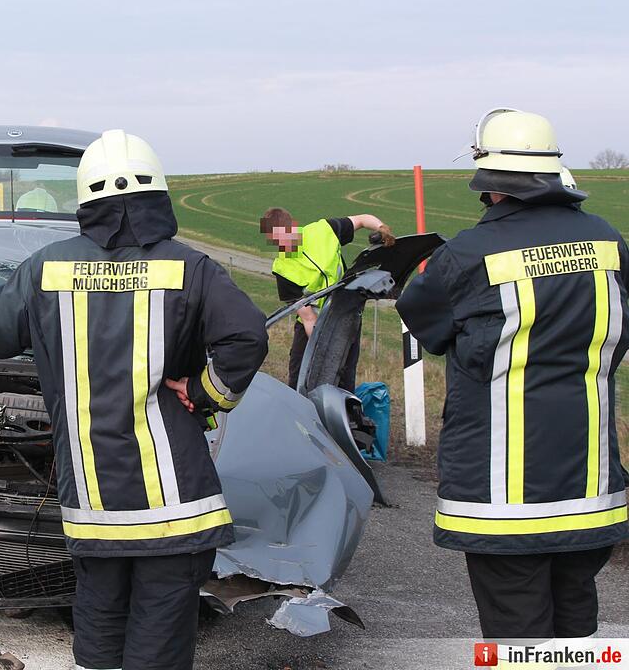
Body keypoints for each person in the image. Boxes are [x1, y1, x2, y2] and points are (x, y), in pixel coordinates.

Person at [0, 129, 267, 670]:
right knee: (158, 649)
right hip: (175, 513)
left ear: (85, 199)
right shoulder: (189, 267)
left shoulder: (47, 268)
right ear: (158, 194)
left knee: (99, 641)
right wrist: (205, 393)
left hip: (94, 512)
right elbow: (247, 337)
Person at [397, 108, 629, 648]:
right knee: (575, 628)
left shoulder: (467, 254)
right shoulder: (608, 242)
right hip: (589, 489)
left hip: (505, 500)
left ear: (489, 182)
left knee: (518, 638)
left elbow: (424, 322)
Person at [262, 207, 394, 390]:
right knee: (300, 382)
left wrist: (381, 228)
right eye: (277, 240)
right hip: (311, 329)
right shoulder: (283, 269)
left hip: (346, 317)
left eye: (285, 235)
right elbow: (308, 318)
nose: (282, 244)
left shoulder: (323, 230)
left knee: (344, 380)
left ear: (293, 226)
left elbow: (362, 219)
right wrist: (323, 350)